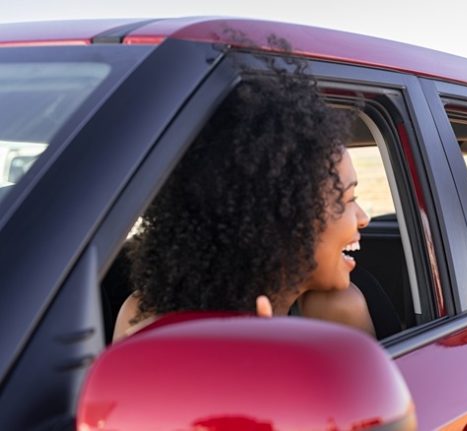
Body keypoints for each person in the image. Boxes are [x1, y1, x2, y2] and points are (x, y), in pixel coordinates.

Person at [113, 50, 375, 341]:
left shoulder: (337, 311)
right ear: (283, 218)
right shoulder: (144, 317)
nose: (364, 218)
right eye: (348, 198)